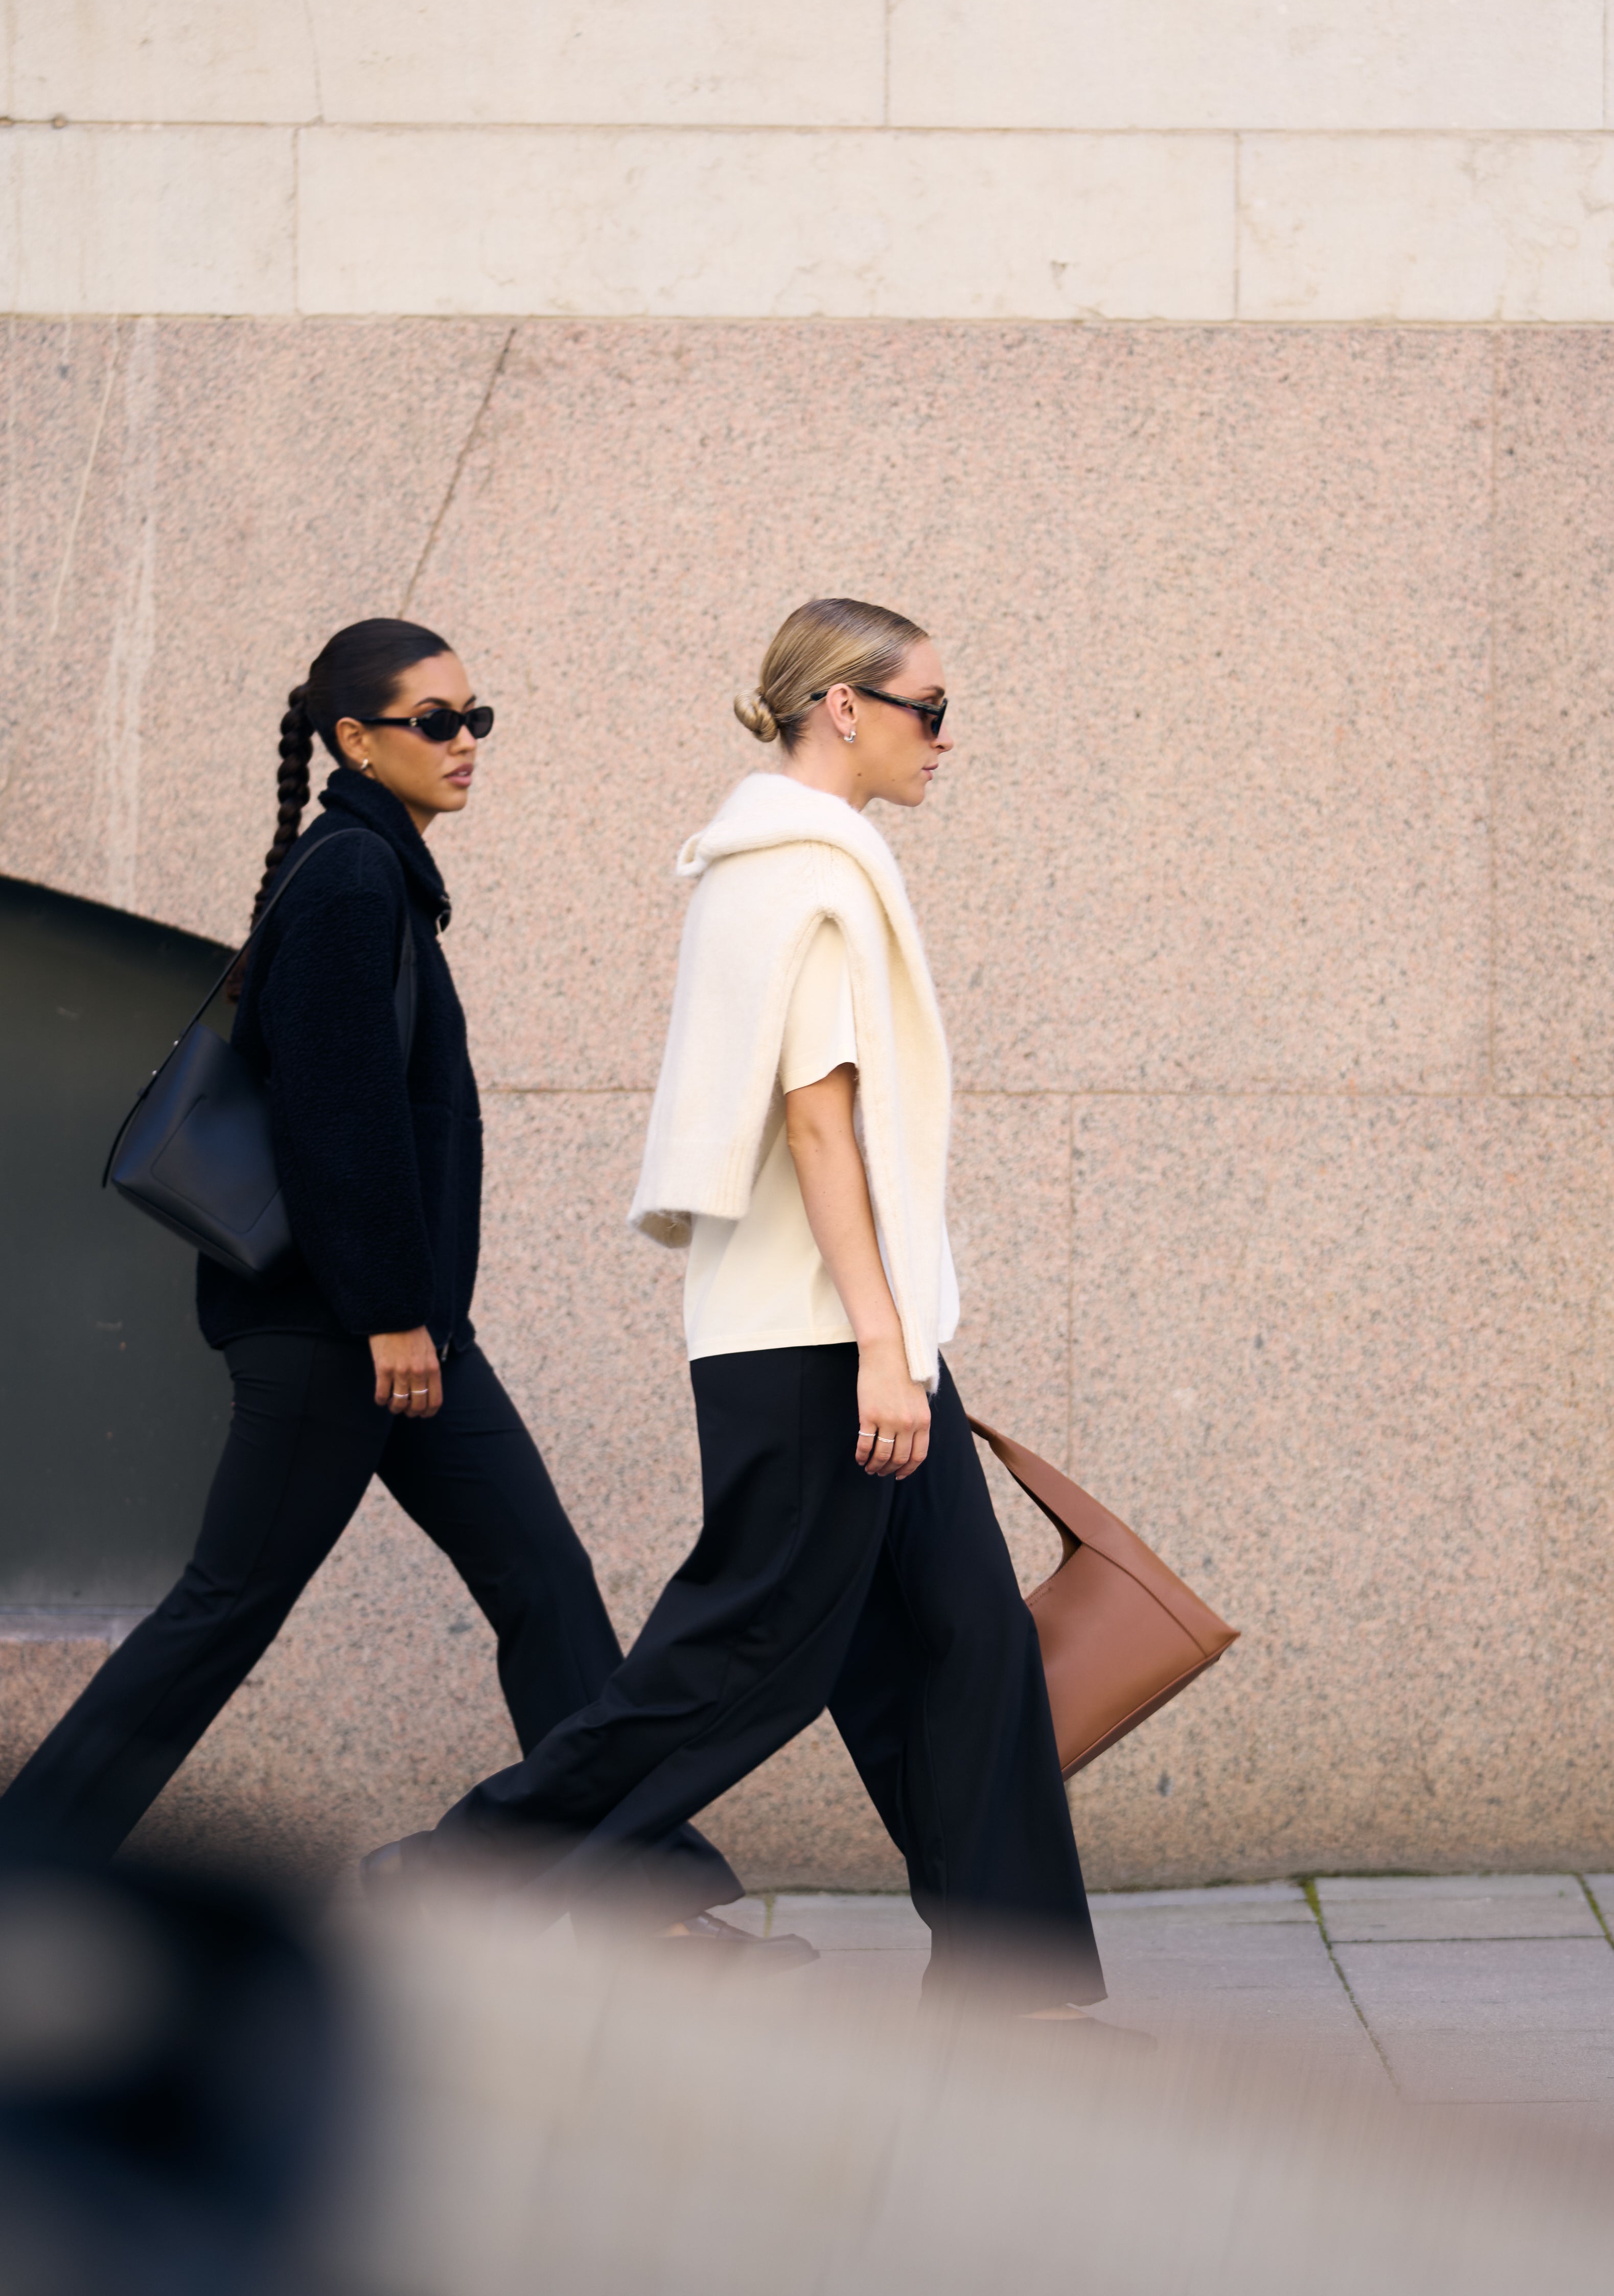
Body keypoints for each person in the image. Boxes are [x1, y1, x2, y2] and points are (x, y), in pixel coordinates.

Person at [0, 617, 775, 1956]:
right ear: (355, 741)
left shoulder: (375, 872)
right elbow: (338, 1119)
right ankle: (8, 1883)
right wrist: (391, 1314)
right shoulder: (352, 876)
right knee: (223, 1614)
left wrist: (413, 1318)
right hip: (342, 1332)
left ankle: (636, 1895)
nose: (466, 744)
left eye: (478, 718)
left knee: (540, 1578)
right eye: (436, 722)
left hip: (403, 1330)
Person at [378, 599, 1107, 2019]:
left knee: (967, 1640)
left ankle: (1009, 1992)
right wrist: (885, 1348)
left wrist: (899, 1340)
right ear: (843, 707)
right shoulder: (803, 874)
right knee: (748, 1658)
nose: (945, 739)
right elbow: (818, 1127)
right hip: (825, 1338)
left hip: (861, 1328)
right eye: (929, 709)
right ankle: (460, 1873)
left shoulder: (779, 862)